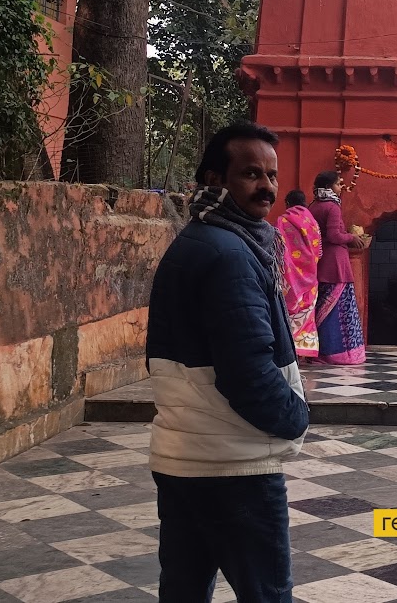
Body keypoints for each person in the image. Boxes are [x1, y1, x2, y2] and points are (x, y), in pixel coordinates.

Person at [146, 122, 309, 602]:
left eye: (272, 175)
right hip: (234, 466)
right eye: (251, 174)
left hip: (186, 456)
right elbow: (247, 374)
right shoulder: (230, 254)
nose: (267, 187)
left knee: (183, 592)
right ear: (215, 180)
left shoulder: (206, 240)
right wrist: (297, 417)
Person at [307, 171, 366, 365]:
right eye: (338, 184)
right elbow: (333, 236)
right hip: (335, 264)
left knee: (321, 308)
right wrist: (351, 237)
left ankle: (318, 350)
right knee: (338, 310)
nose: (341, 188)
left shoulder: (313, 206)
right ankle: (337, 353)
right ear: (329, 187)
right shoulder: (332, 207)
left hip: (321, 262)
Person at [274, 190, 322, 360]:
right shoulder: (312, 222)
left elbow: (278, 248)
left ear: (287, 203)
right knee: (307, 314)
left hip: (289, 276)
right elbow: (319, 250)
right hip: (310, 275)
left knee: (287, 311)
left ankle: (288, 349)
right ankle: (304, 350)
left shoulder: (282, 220)